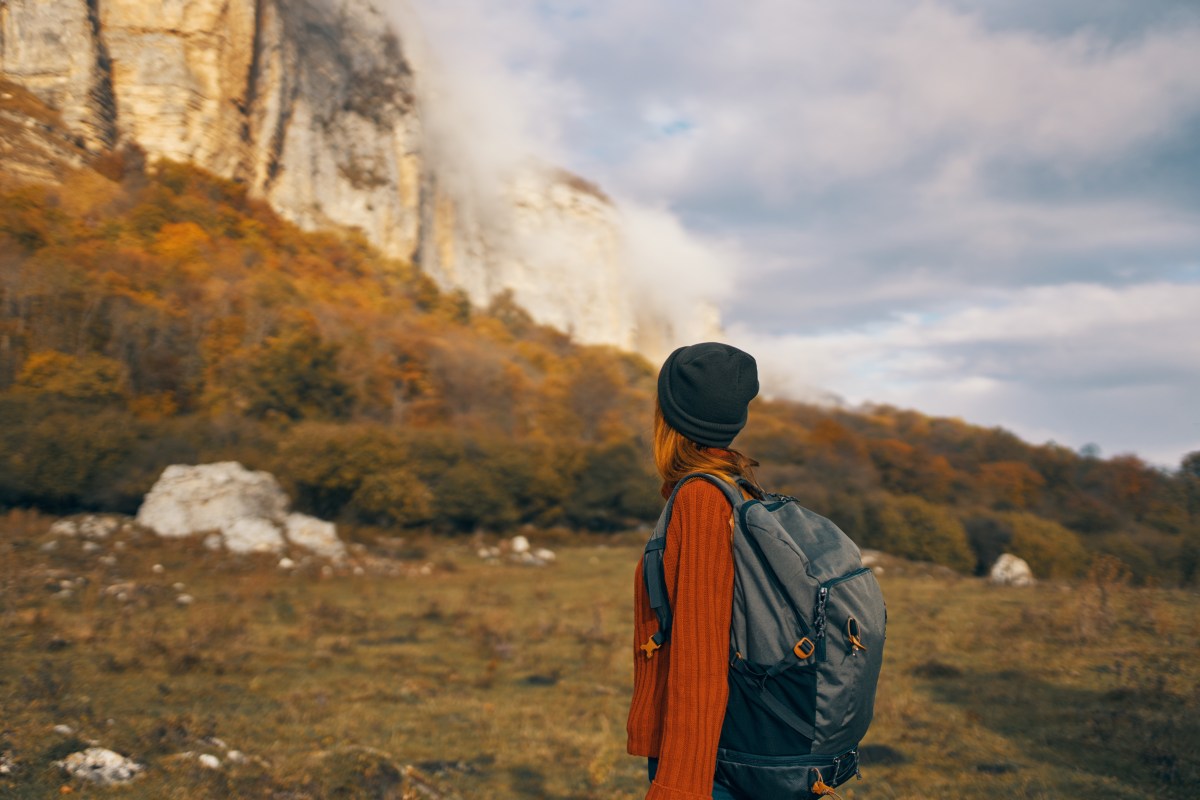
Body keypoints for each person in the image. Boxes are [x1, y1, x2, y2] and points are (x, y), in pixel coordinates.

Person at [626, 342, 761, 800]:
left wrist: (678, 788)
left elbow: (700, 661)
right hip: (721, 752)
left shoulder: (701, 502)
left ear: (672, 419)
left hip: (707, 765)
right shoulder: (738, 490)